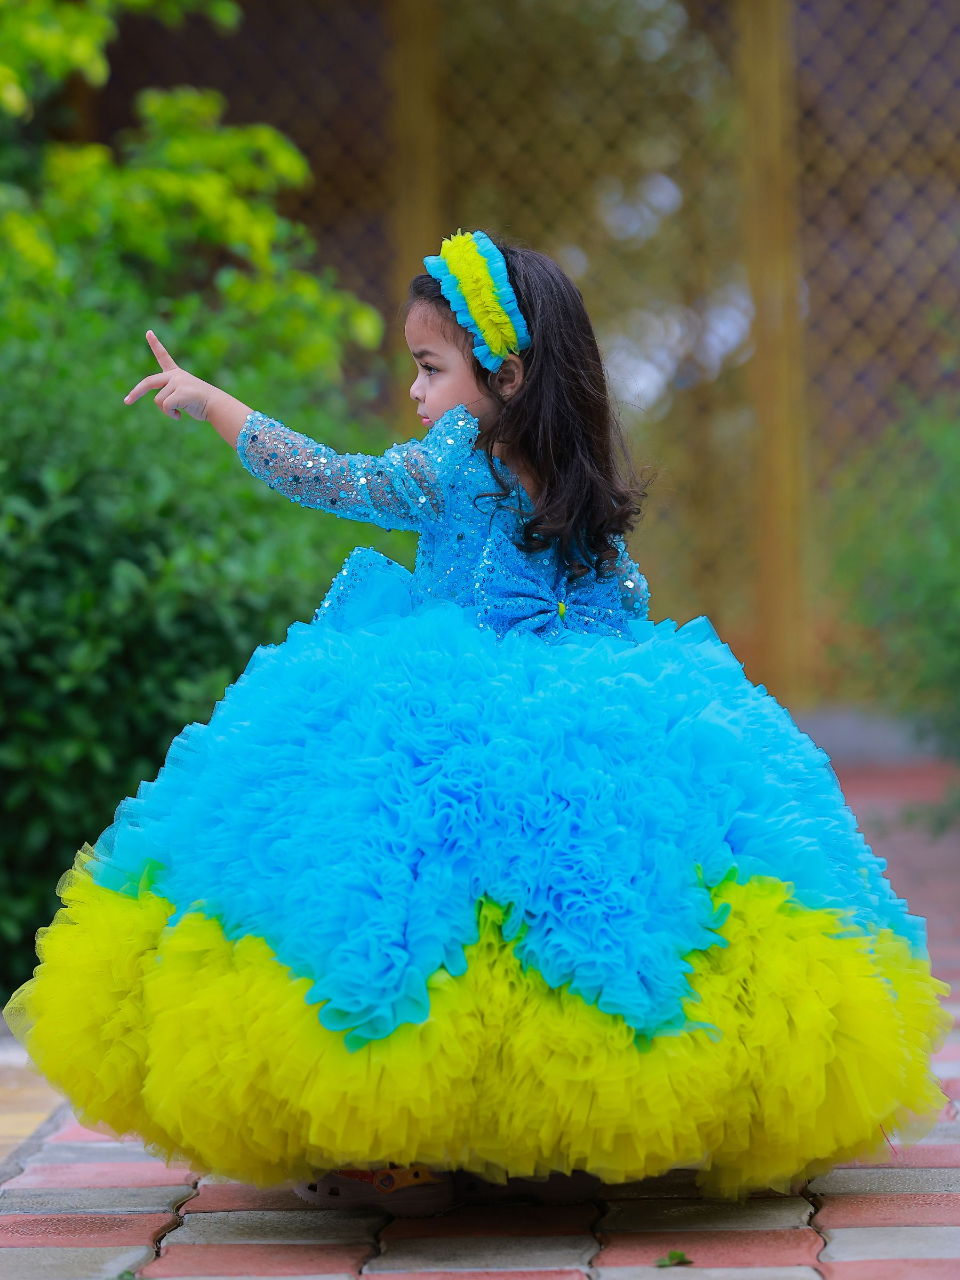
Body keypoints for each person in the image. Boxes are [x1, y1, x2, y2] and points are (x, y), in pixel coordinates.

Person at [6, 230, 948, 1217]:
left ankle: (443, 1126)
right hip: (551, 709)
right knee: (563, 910)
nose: (415, 393)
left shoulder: (462, 463)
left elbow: (336, 476)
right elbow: (620, 604)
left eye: (428, 367)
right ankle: (541, 1118)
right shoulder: (560, 471)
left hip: (472, 713)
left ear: (503, 371)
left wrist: (214, 404)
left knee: (430, 905)